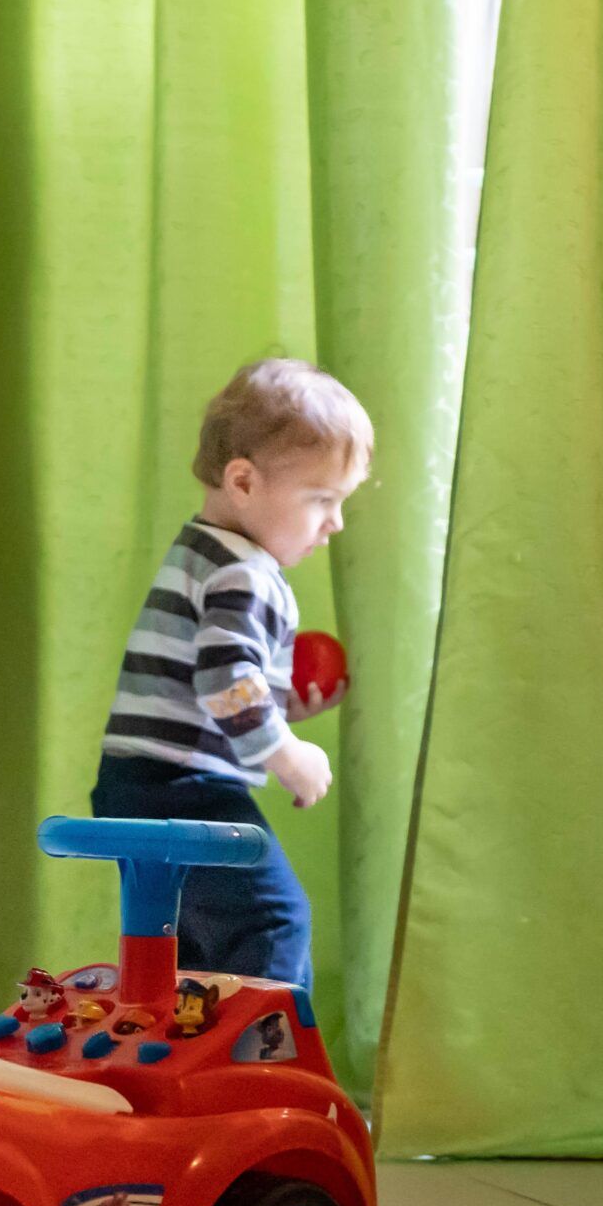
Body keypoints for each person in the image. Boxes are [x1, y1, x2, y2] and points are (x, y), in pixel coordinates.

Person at [93, 357, 371, 990]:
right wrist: (287, 754)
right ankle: (257, 1069)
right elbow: (225, 685)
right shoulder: (246, 572)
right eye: (321, 499)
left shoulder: (200, 551)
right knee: (272, 922)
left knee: (189, 944)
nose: (335, 523)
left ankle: (188, 1055)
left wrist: (287, 707)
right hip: (186, 788)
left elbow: (207, 676)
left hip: (134, 781)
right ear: (243, 481)